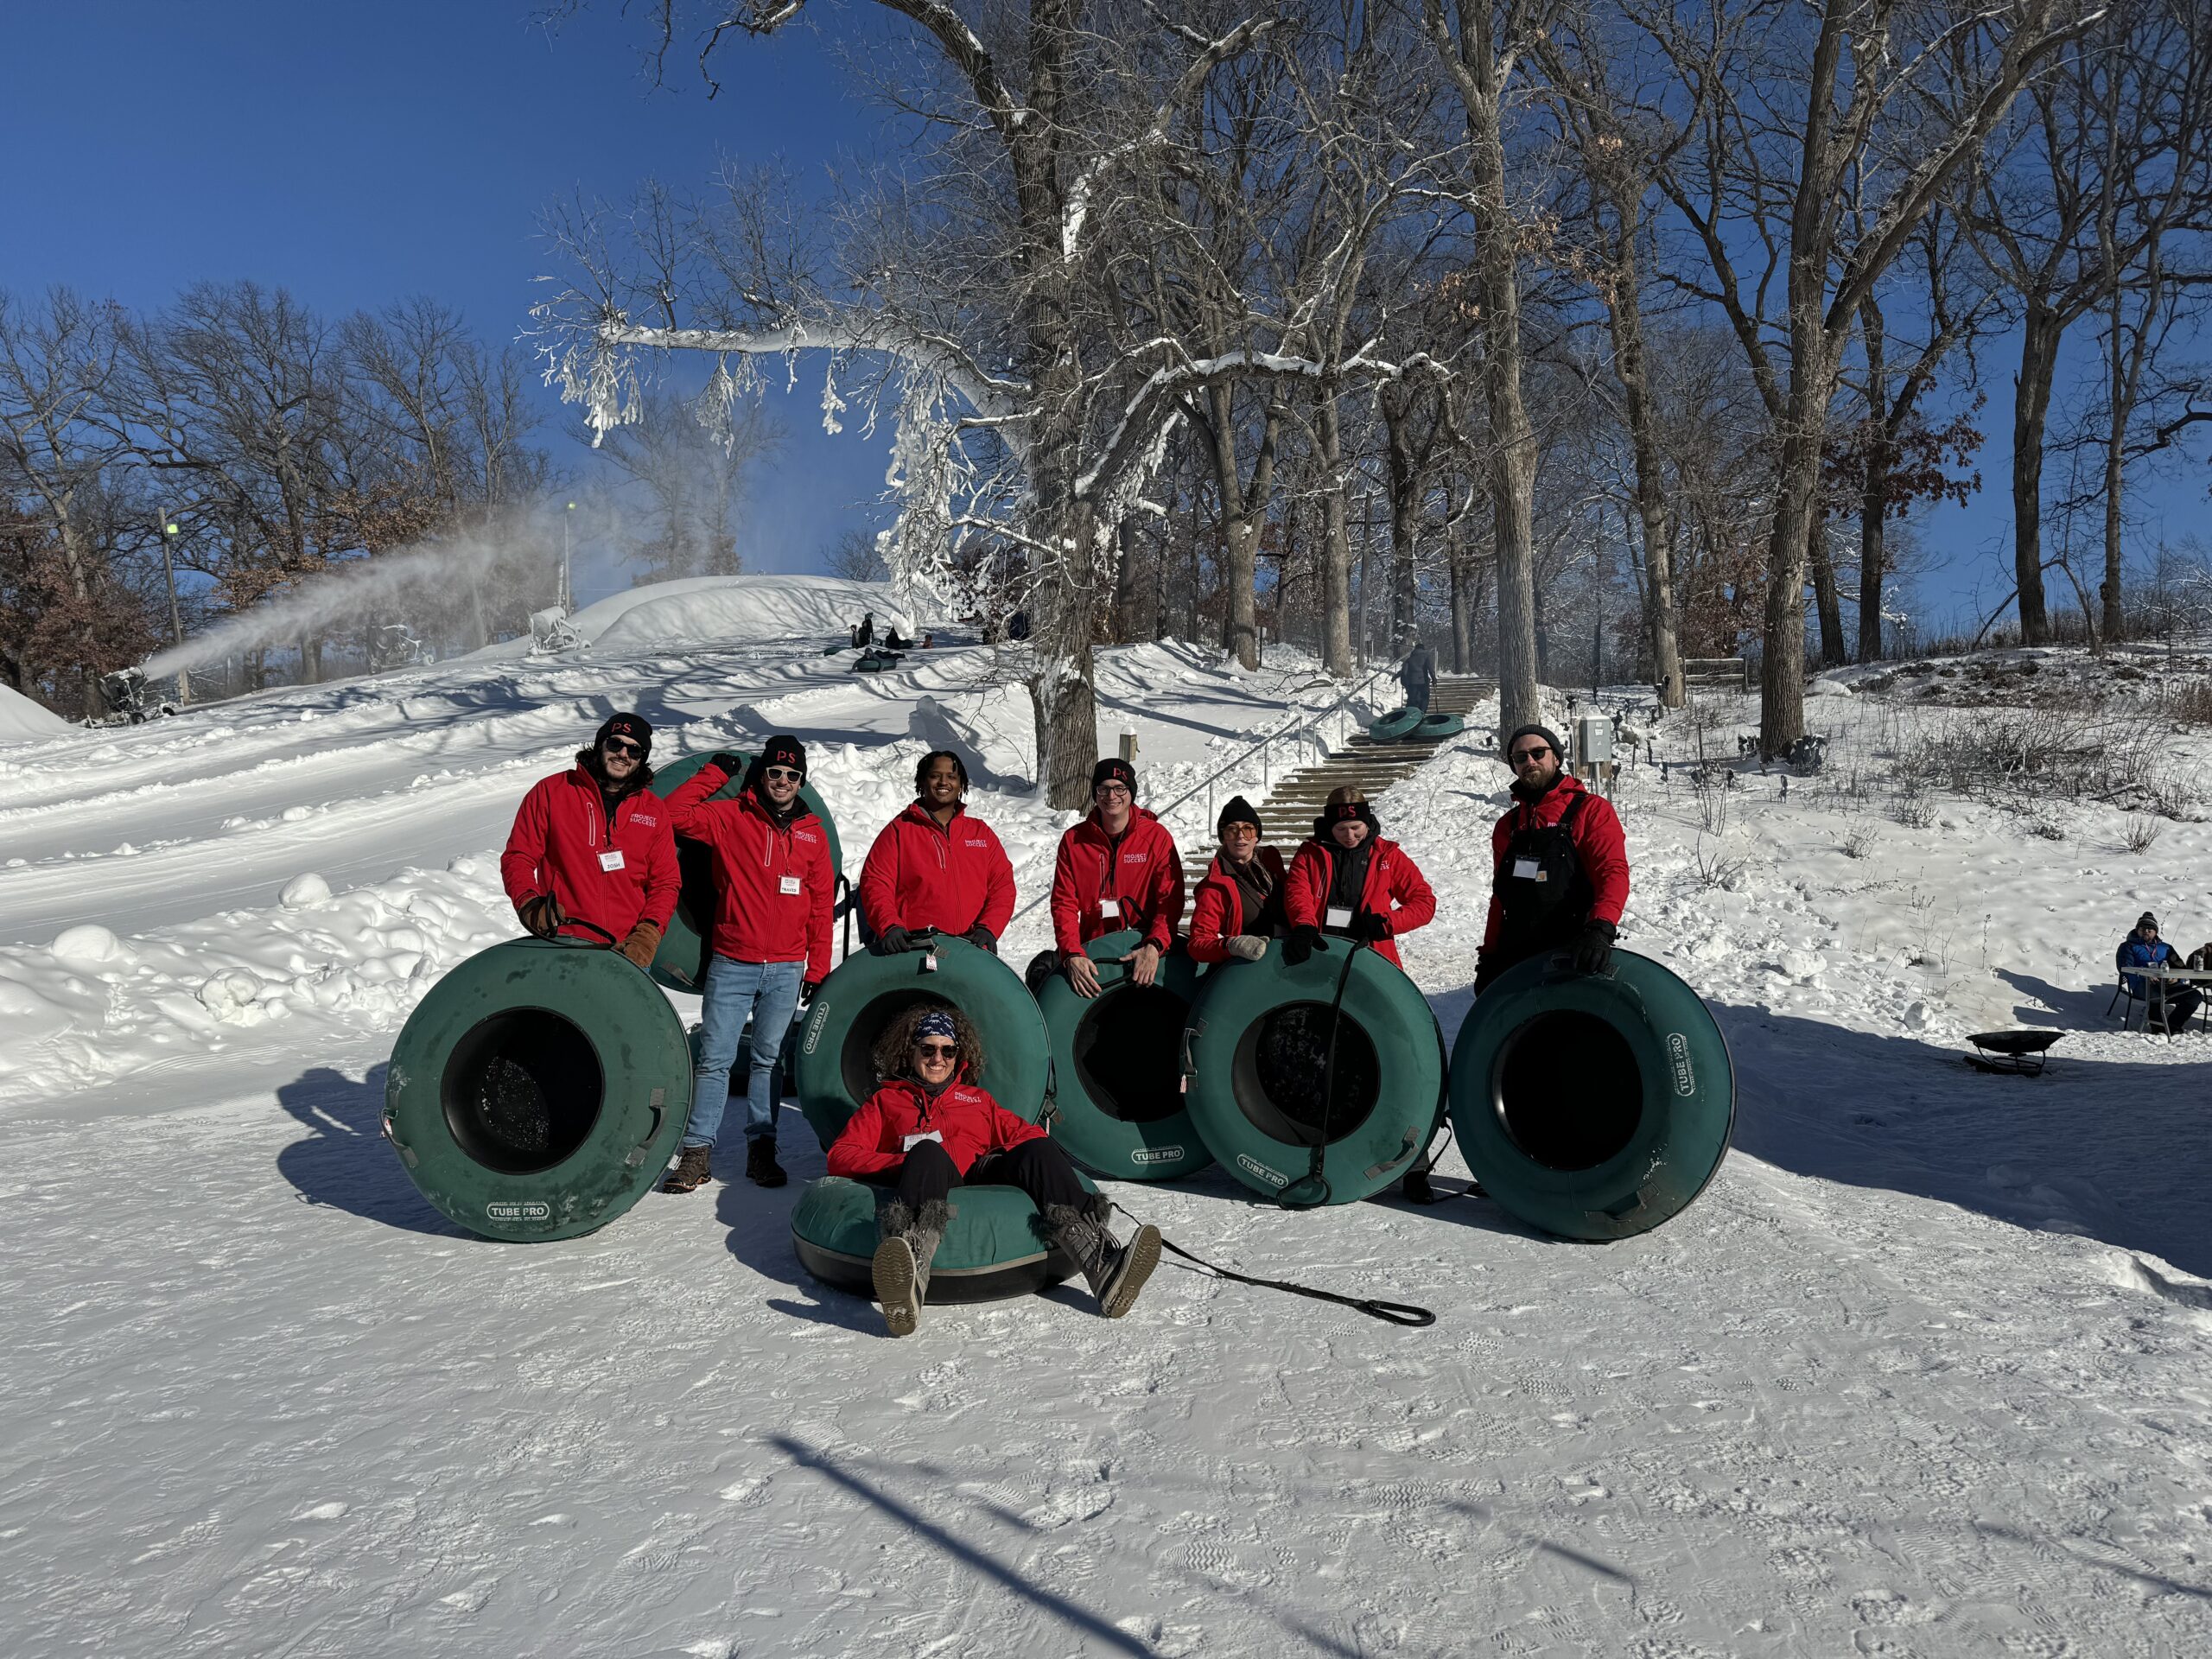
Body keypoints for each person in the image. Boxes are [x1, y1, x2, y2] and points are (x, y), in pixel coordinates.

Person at [827, 1007, 1161, 1335]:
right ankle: (910, 1278)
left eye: (948, 1050)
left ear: (958, 1056)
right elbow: (841, 1154)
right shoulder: (886, 1102)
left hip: (978, 1172)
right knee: (926, 1151)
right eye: (927, 1049)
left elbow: (1024, 1132)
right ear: (910, 1052)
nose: (937, 1058)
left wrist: (1020, 1158)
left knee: (1039, 1147)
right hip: (928, 1175)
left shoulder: (976, 1099)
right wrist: (902, 1162)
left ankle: (1101, 1266)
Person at [661, 735, 836, 1192]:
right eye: (774, 773)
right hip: (733, 961)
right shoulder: (730, 817)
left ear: (802, 780)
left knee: (768, 1060)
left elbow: (819, 906)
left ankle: (762, 1150)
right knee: (715, 1060)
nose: (781, 781)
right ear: (762, 776)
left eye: (791, 774)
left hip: (784, 967)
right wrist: (714, 776)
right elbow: (672, 814)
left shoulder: (812, 834)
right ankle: (697, 1154)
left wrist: (816, 968)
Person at [499, 712, 677, 969]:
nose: (623, 754)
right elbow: (519, 856)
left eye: (634, 750)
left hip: (626, 953)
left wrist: (648, 934)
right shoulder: (552, 792)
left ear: (642, 758)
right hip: (562, 944)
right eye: (615, 744)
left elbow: (666, 882)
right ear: (600, 745)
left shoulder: (653, 810)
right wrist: (530, 903)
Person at [1474, 723, 1630, 994]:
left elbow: (1612, 872)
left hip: (1574, 957)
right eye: (1520, 757)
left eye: (1538, 753)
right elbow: (1500, 897)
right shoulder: (1507, 827)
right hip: (1518, 960)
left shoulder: (1590, 810)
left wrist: (1600, 928)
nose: (1529, 761)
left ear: (1556, 757)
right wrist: (1489, 955)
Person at [1041, 757, 1185, 999]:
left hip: (1144, 948)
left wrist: (1155, 944)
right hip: (1093, 951)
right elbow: (1063, 903)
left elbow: (1169, 899)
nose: (1111, 796)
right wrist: (1072, 953)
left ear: (1131, 793)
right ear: (1095, 793)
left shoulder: (1156, 837)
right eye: (1103, 788)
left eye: (1120, 788)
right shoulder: (1074, 840)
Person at [858, 750, 1016, 954]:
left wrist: (988, 928)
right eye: (935, 776)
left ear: (961, 784)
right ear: (922, 782)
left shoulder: (981, 833)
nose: (943, 782)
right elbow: (875, 883)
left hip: (970, 950)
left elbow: (1002, 886)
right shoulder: (899, 831)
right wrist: (890, 925)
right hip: (913, 948)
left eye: (951, 777)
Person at [1281, 786, 1436, 969]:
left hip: (1371, 953)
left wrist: (1387, 923)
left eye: (1356, 827)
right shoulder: (1309, 854)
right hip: (1320, 949)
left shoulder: (1387, 855)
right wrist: (1304, 925)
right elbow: (1297, 893)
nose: (1349, 836)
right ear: (1329, 826)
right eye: (1341, 829)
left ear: (1367, 823)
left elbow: (1424, 902)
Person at [1188, 795, 1286, 963]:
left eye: (1248, 829)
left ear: (1256, 836)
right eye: (1232, 830)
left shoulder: (1273, 868)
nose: (1241, 836)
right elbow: (1197, 944)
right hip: (1247, 971)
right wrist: (1232, 945)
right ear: (1223, 837)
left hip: (1285, 962)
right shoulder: (1213, 886)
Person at [2120, 912, 2198, 1033]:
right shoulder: (2128, 946)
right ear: (2137, 930)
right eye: (2142, 928)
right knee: (2155, 993)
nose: (2146, 930)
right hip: (2142, 985)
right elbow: (2125, 968)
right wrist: (2145, 976)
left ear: (2156, 931)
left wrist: (2177, 979)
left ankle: (2173, 1025)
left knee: (2194, 995)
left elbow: (2180, 967)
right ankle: (2158, 1029)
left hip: (2166, 985)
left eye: (2150, 928)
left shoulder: (2166, 948)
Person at [1399, 638, 1438, 714]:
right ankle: (1422, 713)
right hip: (1423, 682)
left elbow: (1404, 672)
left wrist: (1404, 683)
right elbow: (1430, 669)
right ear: (1423, 649)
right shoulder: (1426, 657)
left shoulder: (1409, 659)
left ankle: (1411, 717)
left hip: (1412, 683)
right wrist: (1434, 679)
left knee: (1412, 700)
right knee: (1424, 699)